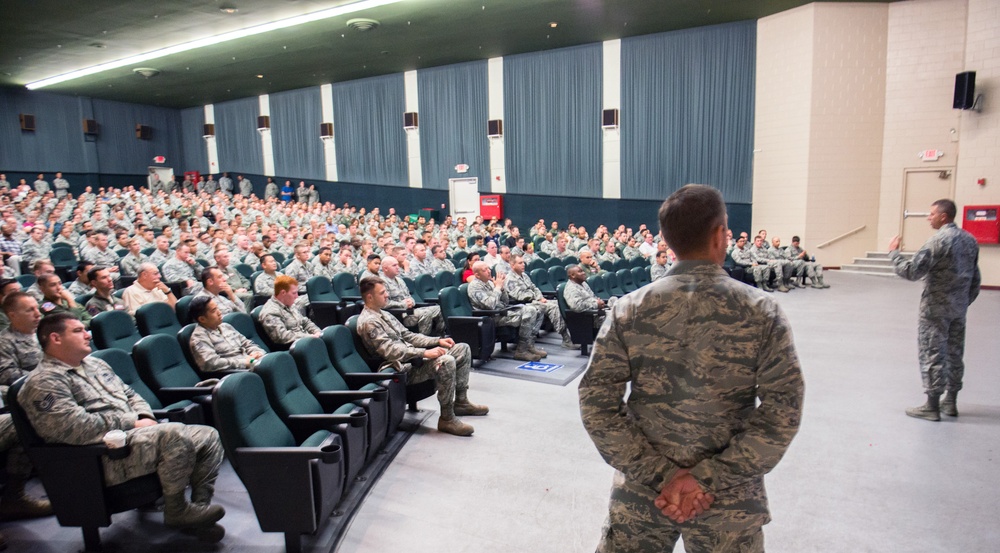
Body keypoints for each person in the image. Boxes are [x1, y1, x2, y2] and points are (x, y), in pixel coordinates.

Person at [579, 184, 804, 552]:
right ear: (721, 234)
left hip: (644, 496)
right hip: (728, 502)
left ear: (666, 240)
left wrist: (662, 475)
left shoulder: (628, 309)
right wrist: (709, 479)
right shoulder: (762, 312)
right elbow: (783, 412)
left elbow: (596, 404)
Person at [18, 313, 226, 542]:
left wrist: (144, 415)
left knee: (207, 435)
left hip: (134, 441)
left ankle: (196, 510)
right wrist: (131, 422)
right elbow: (72, 428)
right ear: (55, 338)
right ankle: (177, 509)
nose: (88, 335)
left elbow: (130, 394)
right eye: (78, 331)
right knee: (173, 433)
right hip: (100, 458)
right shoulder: (43, 382)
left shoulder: (95, 364)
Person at [357, 277, 487, 437]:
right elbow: (390, 351)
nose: (387, 295)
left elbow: (408, 336)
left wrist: (437, 341)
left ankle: (461, 402)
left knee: (462, 349)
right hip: (400, 369)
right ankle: (447, 418)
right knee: (446, 361)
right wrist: (424, 352)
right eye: (382, 293)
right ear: (370, 297)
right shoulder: (368, 322)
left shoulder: (382, 314)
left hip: (413, 359)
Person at [889, 198, 980, 421]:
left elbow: (911, 271)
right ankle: (950, 401)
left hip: (935, 310)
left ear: (943, 216)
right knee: (955, 353)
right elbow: (975, 279)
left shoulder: (938, 241)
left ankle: (931, 405)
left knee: (932, 353)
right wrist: (962, 302)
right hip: (958, 309)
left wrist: (894, 253)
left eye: (931, 214)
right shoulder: (970, 240)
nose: (928, 217)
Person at [467, 261, 545, 361]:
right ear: (477, 274)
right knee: (530, 311)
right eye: (485, 270)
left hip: (502, 312)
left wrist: (502, 289)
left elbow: (505, 301)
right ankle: (521, 350)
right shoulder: (474, 286)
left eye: (488, 268)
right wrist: (498, 288)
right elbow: (490, 305)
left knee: (537, 309)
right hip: (492, 317)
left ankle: (529, 345)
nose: (489, 271)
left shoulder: (490, 283)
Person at [504, 254, 574, 348]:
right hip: (523, 304)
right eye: (520, 263)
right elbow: (519, 295)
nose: (523, 265)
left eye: (523, 262)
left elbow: (535, 288)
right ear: (512, 265)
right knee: (554, 307)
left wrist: (540, 297)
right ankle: (566, 338)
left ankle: (573, 333)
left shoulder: (524, 275)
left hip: (535, 300)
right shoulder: (510, 279)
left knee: (559, 304)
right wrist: (537, 298)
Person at [188, 296, 263, 373]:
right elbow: (211, 363)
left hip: (251, 362)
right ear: (202, 319)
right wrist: (244, 362)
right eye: (214, 311)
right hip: (236, 373)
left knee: (271, 362)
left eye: (217, 308)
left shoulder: (226, 326)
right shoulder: (199, 337)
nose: (219, 312)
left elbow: (247, 343)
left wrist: (257, 353)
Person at [379, 256, 443, 335]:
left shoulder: (400, 280)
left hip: (410, 311)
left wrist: (411, 302)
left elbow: (409, 295)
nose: (398, 267)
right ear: (385, 268)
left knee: (439, 308)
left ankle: (440, 335)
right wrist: (403, 304)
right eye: (394, 265)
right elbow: (384, 304)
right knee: (426, 313)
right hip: (399, 314)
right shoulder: (381, 283)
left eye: (397, 265)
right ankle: (424, 340)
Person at [257, 275, 320, 347]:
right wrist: (309, 337)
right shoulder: (270, 312)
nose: (297, 296)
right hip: (293, 347)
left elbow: (305, 322)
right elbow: (282, 337)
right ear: (283, 293)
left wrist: (317, 332)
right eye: (294, 293)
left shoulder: (290, 304)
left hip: (306, 341)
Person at [0, 292, 42, 385]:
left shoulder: (47, 331)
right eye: (30, 310)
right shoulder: (4, 341)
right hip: (35, 387)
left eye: (37, 308)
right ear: (12, 315)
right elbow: (7, 375)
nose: (38, 314)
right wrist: (44, 376)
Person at [564, 265, 613, 329]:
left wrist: (599, 302)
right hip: (590, 318)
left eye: (583, 271)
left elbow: (592, 297)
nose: (583, 273)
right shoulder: (571, 288)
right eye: (580, 272)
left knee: (613, 299)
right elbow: (576, 306)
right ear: (573, 275)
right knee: (618, 318)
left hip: (597, 312)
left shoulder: (583, 283)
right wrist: (596, 304)